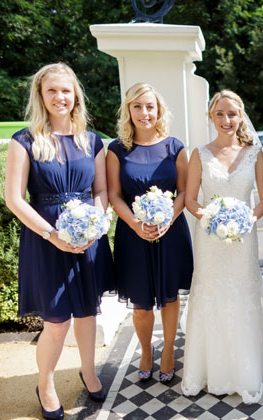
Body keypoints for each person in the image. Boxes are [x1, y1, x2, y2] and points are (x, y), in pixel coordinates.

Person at [4, 62, 114, 420]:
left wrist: (96, 224)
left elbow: (101, 191)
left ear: (75, 95)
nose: (60, 97)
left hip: (87, 238)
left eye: (65, 90)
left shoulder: (92, 140)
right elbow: (15, 199)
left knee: (86, 312)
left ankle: (88, 369)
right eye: (52, 90)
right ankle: (46, 384)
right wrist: (53, 235)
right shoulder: (25, 140)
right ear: (41, 95)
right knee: (56, 320)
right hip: (46, 238)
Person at [181, 89, 263, 404]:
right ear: (211, 116)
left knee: (241, 297)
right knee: (211, 296)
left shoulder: (253, 152)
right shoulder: (199, 153)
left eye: (232, 114)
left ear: (241, 116)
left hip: (243, 237)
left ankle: (245, 372)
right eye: (220, 114)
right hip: (209, 239)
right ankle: (209, 370)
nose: (226, 120)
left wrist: (244, 220)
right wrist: (210, 218)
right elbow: (191, 199)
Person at [106, 83, 193, 384]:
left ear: (159, 110)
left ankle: (168, 350)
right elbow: (114, 195)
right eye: (137, 106)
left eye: (150, 106)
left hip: (170, 233)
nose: (144, 113)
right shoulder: (117, 150)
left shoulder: (175, 147)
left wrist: (169, 216)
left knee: (169, 298)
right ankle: (146, 351)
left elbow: (184, 192)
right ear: (128, 111)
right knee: (141, 305)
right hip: (133, 235)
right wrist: (134, 223)